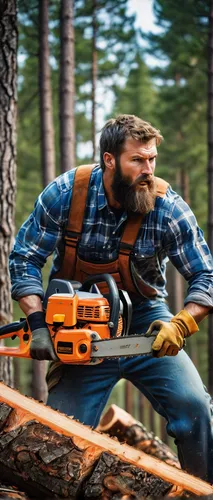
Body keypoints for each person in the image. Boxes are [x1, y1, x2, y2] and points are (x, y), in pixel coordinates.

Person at [9, 114, 213, 483]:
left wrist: (181, 323)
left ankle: (204, 489)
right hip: (77, 323)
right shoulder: (66, 194)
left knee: (195, 407)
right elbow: (25, 258)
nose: (147, 169)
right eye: (137, 160)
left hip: (147, 323)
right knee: (59, 438)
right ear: (109, 160)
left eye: (151, 159)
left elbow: (206, 275)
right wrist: (39, 323)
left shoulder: (167, 206)